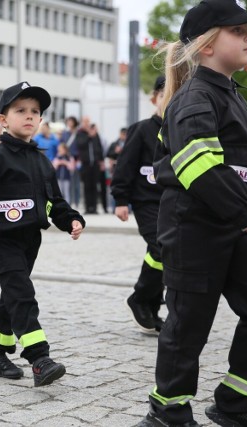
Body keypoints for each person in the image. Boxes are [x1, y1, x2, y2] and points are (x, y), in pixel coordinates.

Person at [138, 2, 247, 426]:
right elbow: (197, 166)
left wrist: (242, 219)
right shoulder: (195, 96)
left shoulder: (229, 93)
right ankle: (168, 411)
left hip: (232, 225)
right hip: (194, 230)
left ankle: (235, 402)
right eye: (237, 30)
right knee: (188, 326)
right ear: (205, 46)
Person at [0, 82, 85, 387]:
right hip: (1, 240)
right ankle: (39, 358)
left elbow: (55, 202)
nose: (29, 116)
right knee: (23, 295)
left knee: (10, 298)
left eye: (35, 111)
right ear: (3, 119)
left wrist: (72, 220)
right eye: (20, 110)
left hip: (30, 242)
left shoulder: (41, 161)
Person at [111, 76, 166, 335]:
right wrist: (121, 200)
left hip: (173, 202)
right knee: (160, 246)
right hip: (146, 202)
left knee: (169, 252)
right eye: (166, 95)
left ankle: (152, 307)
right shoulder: (142, 129)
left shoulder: (182, 130)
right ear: (154, 98)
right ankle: (140, 298)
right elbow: (125, 166)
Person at [73, 117, 104, 214]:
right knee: (86, 186)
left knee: (94, 186)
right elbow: (80, 144)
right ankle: (87, 208)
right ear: (82, 123)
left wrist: (101, 161)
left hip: (95, 164)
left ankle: (94, 208)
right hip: (85, 164)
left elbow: (100, 147)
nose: (87, 124)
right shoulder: (80, 133)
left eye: (88, 122)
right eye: (85, 122)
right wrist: (89, 136)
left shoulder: (95, 133)